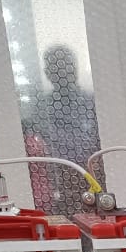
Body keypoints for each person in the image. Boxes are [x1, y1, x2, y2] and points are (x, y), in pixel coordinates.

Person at [30, 45, 100, 215]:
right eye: (56, 67)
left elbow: (100, 138)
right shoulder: (42, 106)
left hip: (93, 172)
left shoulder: (91, 101)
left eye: (66, 65)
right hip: (58, 177)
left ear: (74, 68)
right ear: (48, 72)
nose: (62, 72)